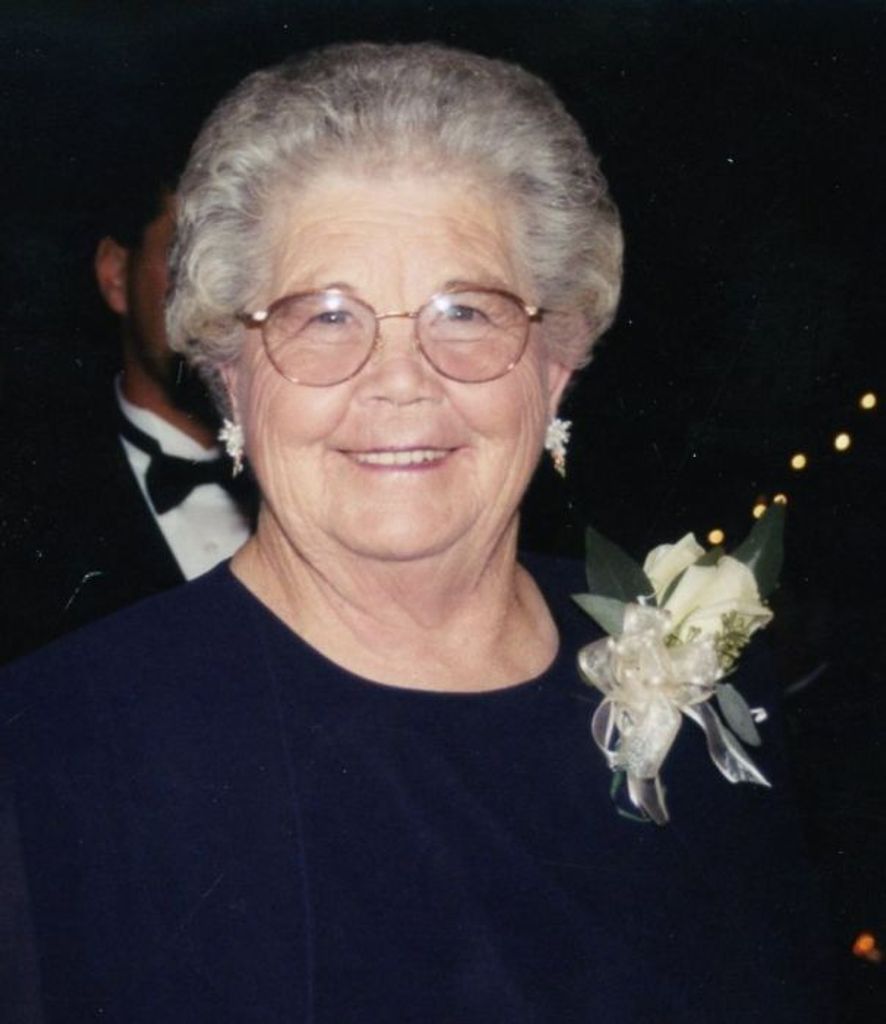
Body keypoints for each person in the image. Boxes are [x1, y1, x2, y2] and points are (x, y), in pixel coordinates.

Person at [1, 42, 833, 1022]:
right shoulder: (47, 753)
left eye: (465, 311)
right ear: (230, 370)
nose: (400, 381)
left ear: (556, 363)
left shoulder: (709, 680)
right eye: (324, 317)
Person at [0, 173, 254, 664]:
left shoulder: (321, 483)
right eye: (187, 256)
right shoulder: (25, 510)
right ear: (116, 274)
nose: (218, 295)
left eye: (239, 261)